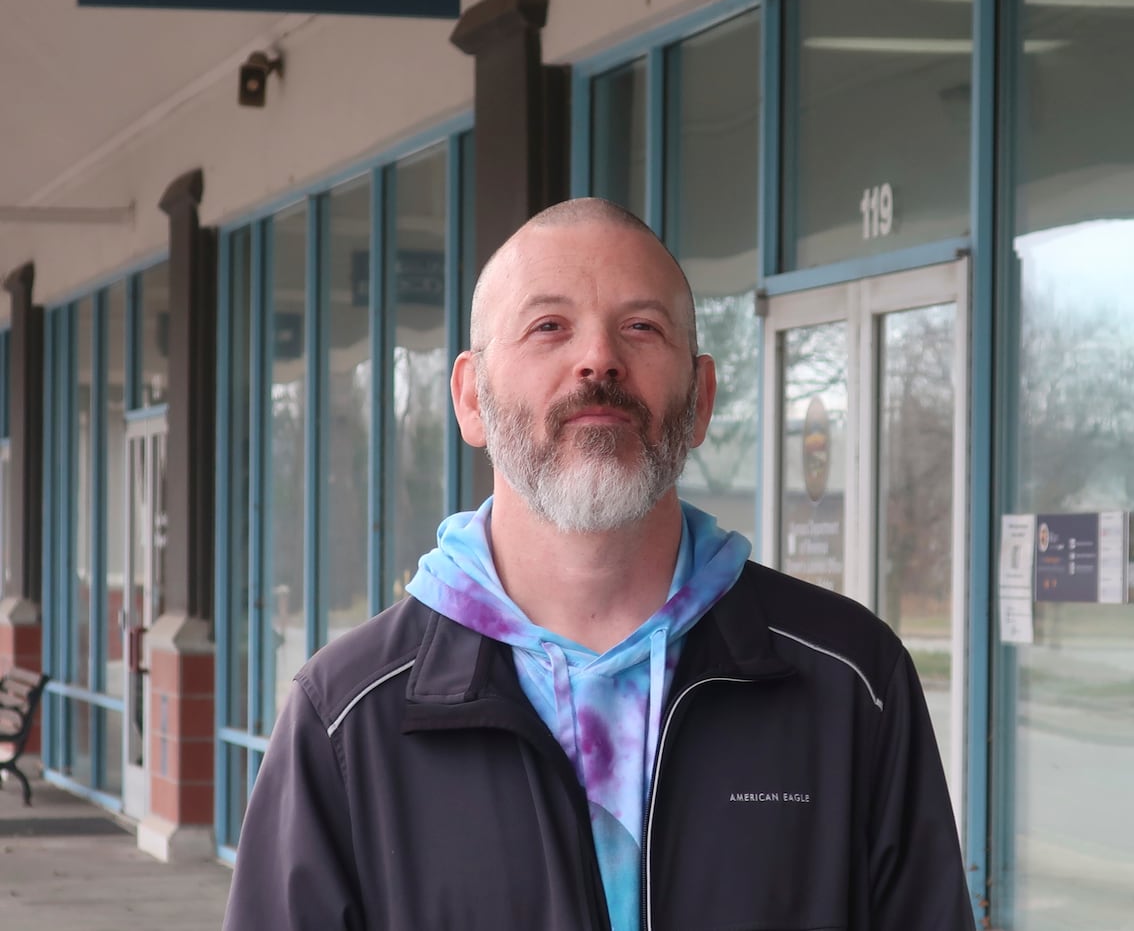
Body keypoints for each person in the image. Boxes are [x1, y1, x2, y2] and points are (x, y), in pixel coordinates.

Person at [222, 198, 974, 931]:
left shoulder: (851, 683)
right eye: (549, 326)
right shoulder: (347, 718)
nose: (599, 359)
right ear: (471, 398)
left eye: (641, 327)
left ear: (702, 397)